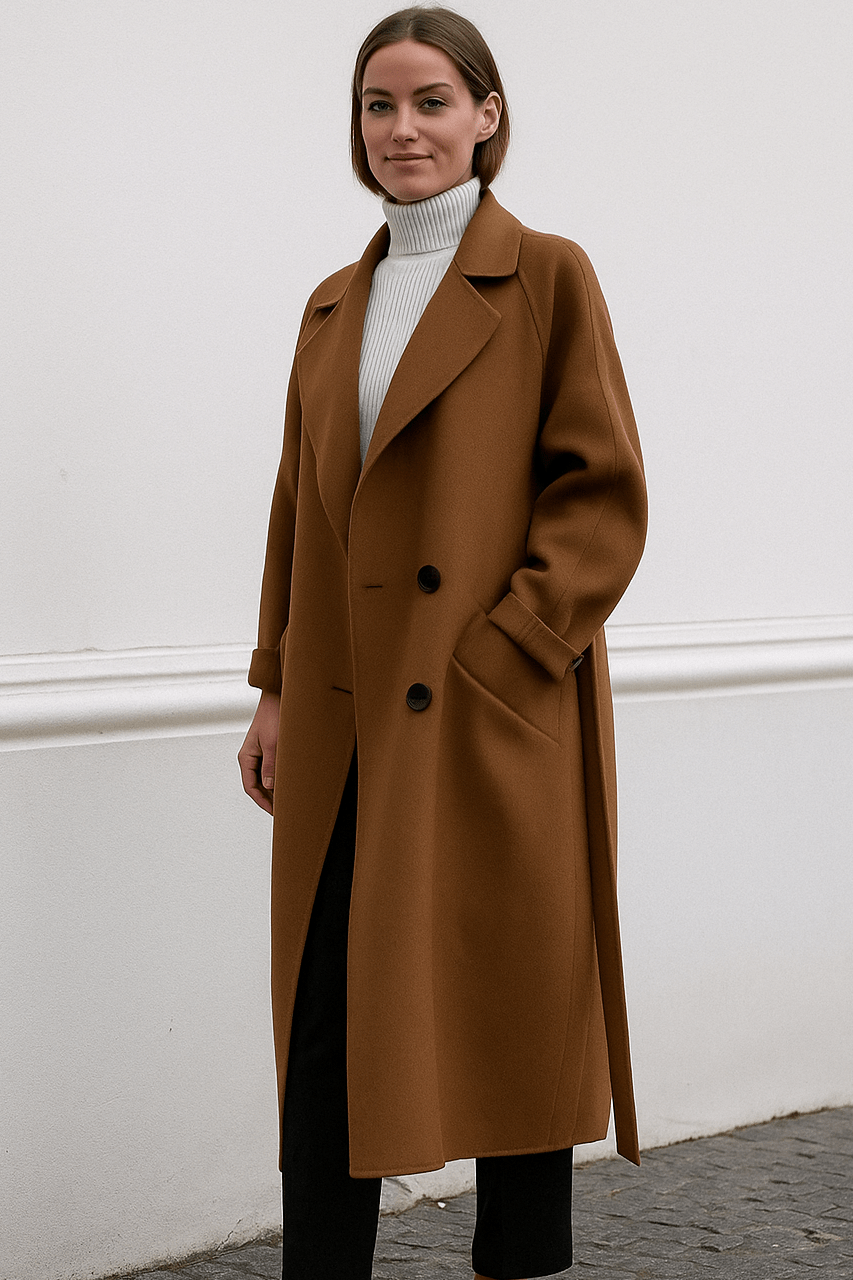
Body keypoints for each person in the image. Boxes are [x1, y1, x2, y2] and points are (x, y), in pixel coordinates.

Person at [238, 7, 647, 1277]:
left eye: (429, 101)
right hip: (345, 703)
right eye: (379, 104)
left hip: (484, 703)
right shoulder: (331, 302)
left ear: (486, 115)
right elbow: (297, 509)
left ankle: (517, 1260)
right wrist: (272, 686)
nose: (401, 128)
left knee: (509, 990)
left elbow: (601, 493)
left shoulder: (547, 274)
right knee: (326, 1010)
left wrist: (511, 648)